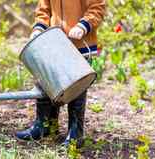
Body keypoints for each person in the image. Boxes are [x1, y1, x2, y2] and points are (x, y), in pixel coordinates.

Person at [16, 0, 106, 147]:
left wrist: (83, 26)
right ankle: (45, 126)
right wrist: (39, 27)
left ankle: (75, 133)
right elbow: (43, 9)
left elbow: (97, 7)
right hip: (54, 41)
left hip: (79, 43)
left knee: (76, 86)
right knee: (46, 81)